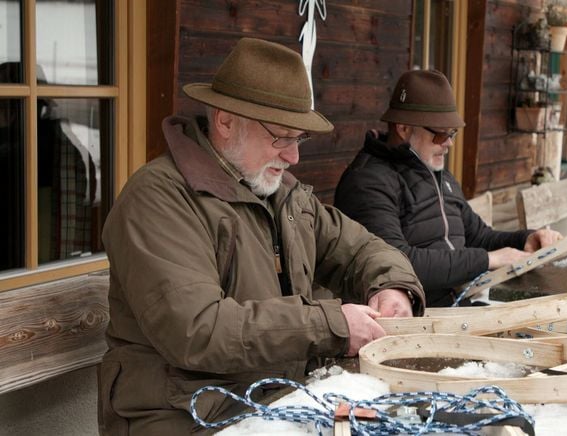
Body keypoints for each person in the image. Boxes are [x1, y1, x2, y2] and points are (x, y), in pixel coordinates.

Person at [98, 38, 424, 435]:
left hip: (271, 399)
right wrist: (332, 325)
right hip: (186, 415)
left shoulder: (281, 193)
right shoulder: (159, 198)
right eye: (281, 137)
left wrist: (393, 287)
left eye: (298, 139)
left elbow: (359, 249)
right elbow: (197, 330)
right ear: (225, 121)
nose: (294, 157)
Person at [334, 69, 561, 307]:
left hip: (458, 304)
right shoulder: (367, 183)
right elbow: (397, 262)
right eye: (441, 135)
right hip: (410, 319)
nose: (449, 143)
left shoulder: (438, 174)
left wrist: (524, 239)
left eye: (452, 133)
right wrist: (486, 260)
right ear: (403, 129)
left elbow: (478, 236)